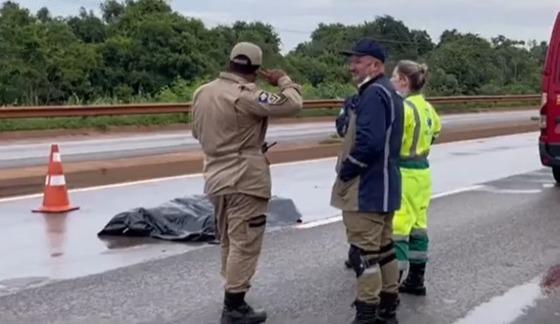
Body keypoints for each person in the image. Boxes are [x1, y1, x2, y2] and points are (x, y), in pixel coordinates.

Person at [192, 41, 303, 324]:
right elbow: (292, 104)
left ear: (230, 62)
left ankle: (232, 291)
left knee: (229, 238)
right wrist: (284, 81)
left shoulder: (202, 92)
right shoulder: (247, 95)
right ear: (255, 69)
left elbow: (197, 132)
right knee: (246, 241)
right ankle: (234, 305)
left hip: (215, 175)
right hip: (245, 176)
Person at [331, 38, 404, 324]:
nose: (352, 66)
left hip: (367, 189)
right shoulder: (390, 91)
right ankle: (388, 307)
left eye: (358, 61)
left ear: (375, 64)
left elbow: (369, 143)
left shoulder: (373, 94)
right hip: (385, 187)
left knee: (364, 255)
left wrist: (348, 170)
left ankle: (367, 313)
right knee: (384, 250)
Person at [389, 60, 441, 296]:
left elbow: (393, 139)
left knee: (398, 228)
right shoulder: (428, 108)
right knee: (418, 227)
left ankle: (392, 286)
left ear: (403, 81)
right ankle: (417, 279)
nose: (391, 81)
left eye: (394, 77)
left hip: (405, 173)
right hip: (423, 173)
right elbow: (436, 133)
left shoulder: (405, 108)